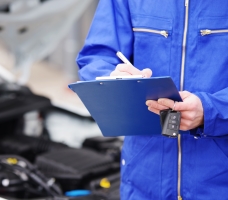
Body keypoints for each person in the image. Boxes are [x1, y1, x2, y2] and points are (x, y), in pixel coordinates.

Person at [76, 0, 228, 199]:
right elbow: (97, 57)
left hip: (219, 184)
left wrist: (213, 110)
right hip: (143, 180)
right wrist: (114, 78)